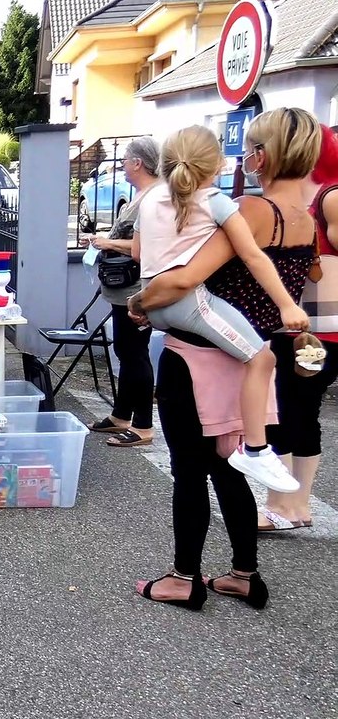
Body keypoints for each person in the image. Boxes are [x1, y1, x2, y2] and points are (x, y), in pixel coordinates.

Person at [130, 108, 323, 610]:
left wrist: (141, 302)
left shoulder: (252, 211)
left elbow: (183, 278)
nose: (245, 157)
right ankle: (243, 573)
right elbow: (312, 277)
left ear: (265, 156)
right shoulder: (304, 219)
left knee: (190, 472)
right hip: (248, 360)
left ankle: (183, 578)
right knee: (229, 468)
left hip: (198, 358)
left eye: (251, 148)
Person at [130, 125, 308, 492]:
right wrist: (287, 305)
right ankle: (255, 449)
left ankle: (253, 450)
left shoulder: (150, 198)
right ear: (217, 166)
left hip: (155, 301)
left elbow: (142, 253)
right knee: (262, 359)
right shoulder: (215, 201)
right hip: (189, 303)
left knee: (187, 476)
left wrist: (141, 301)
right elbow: (254, 257)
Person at [260, 121, 338, 531]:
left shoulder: (330, 196)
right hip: (314, 325)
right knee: (298, 411)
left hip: (315, 327)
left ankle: (287, 506)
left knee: (290, 411)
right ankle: (293, 504)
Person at [89, 137, 161, 448]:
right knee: (125, 352)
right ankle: (121, 415)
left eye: (125, 160)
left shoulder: (153, 199)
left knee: (134, 355)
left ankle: (143, 425)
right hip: (124, 291)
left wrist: (107, 242)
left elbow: (141, 250)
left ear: (138, 163)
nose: (122, 165)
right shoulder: (143, 196)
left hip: (136, 289)